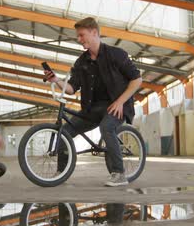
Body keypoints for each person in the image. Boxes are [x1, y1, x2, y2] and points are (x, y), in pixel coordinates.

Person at [44, 17, 142, 187]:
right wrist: (56, 80)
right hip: (92, 109)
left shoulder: (116, 54)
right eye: (78, 36)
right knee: (65, 131)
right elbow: (71, 88)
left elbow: (137, 80)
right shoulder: (82, 62)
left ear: (94, 32)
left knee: (106, 128)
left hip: (116, 106)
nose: (79, 39)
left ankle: (119, 174)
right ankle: (61, 173)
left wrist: (120, 102)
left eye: (82, 35)